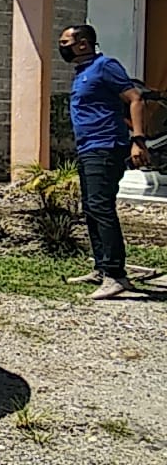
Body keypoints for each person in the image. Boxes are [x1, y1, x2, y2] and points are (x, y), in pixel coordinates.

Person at [59, 24, 152, 299]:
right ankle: (101, 267)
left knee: (101, 207)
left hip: (106, 145)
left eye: (66, 42)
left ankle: (115, 275)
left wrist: (138, 140)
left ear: (83, 44)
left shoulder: (105, 66)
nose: (62, 47)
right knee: (91, 207)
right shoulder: (83, 73)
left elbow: (135, 98)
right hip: (88, 148)